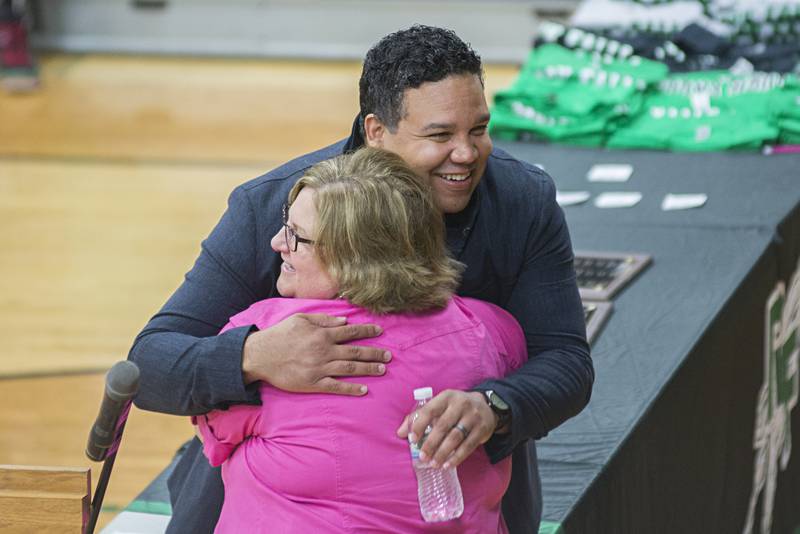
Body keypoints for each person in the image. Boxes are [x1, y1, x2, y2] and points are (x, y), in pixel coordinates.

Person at [128, 25, 593, 534]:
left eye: (478, 129)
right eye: (440, 135)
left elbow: (566, 361)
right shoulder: (273, 207)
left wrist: (494, 407)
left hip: (456, 490)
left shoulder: (522, 201)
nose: (466, 153)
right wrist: (255, 357)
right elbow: (149, 367)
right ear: (376, 132)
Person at [195, 147, 527, 532]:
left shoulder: (263, 329)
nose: (276, 243)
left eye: (297, 237)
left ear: (353, 258)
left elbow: (213, 430)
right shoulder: (488, 327)